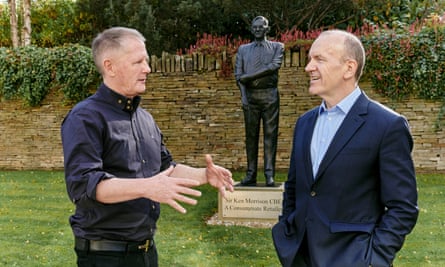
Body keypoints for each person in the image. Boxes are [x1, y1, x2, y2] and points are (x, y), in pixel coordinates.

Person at [61, 26, 234, 267]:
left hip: (145, 254)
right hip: (105, 257)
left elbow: (166, 169)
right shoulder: (85, 118)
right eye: (138, 62)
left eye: (147, 61)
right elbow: (84, 186)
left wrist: (204, 175)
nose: (147, 69)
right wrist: (147, 187)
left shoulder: (145, 119)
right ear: (109, 66)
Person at [272, 29, 418, 267]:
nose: (309, 67)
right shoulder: (304, 123)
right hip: (299, 257)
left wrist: (373, 259)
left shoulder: (387, 125)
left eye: (319, 59)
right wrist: (286, 233)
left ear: (349, 68)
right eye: (310, 59)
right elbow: (294, 188)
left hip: (353, 259)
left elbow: (403, 207)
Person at [234, 16, 284, 187]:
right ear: (251, 29)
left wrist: (249, 77)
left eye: (260, 27)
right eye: (254, 27)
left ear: (267, 28)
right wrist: (244, 97)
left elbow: (273, 67)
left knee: (270, 136)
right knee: (251, 137)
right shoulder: (243, 50)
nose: (257, 30)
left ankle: (269, 174)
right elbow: (238, 77)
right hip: (250, 97)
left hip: (270, 96)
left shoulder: (277, 47)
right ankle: (251, 175)